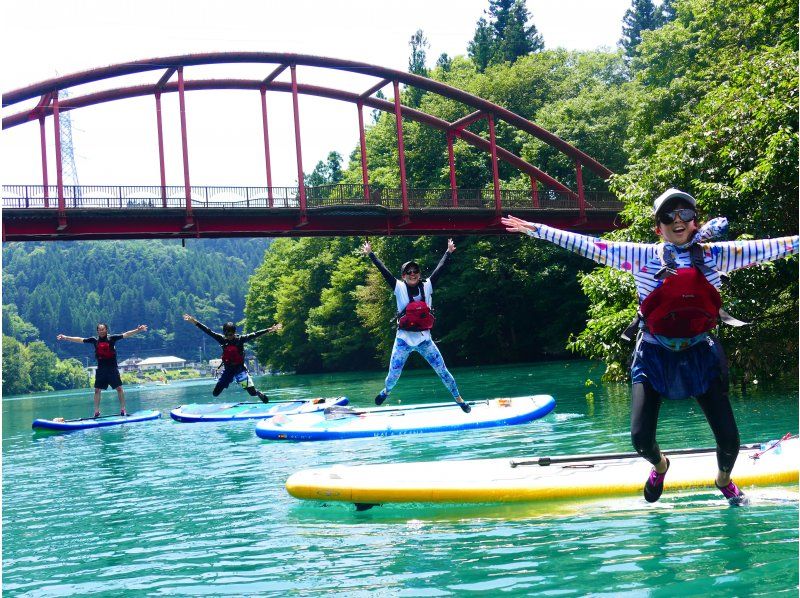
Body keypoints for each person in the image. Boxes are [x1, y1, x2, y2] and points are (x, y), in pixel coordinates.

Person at [502, 188, 798, 506]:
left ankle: (724, 480)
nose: (678, 220)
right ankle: (661, 466)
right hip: (654, 354)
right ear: (658, 227)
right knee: (641, 440)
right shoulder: (641, 257)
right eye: (668, 216)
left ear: (695, 221)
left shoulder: (717, 255)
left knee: (730, 443)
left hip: (700, 353)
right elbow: (589, 246)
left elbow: (775, 248)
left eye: (685, 213)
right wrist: (538, 230)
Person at [360, 238, 471, 413]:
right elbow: (384, 271)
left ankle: (459, 400)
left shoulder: (427, 286)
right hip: (403, 340)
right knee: (393, 377)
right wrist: (371, 254)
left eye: (416, 271)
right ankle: (386, 391)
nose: (413, 274)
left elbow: (440, 269)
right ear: (403, 276)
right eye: (409, 272)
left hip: (424, 340)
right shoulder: (398, 287)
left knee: (443, 371)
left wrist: (448, 251)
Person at [183, 314, 281, 403]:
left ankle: (259, 393)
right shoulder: (222, 339)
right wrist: (194, 321)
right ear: (224, 333)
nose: (229, 336)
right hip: (228, 371)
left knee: (252, 393)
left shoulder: (240, 339)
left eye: (231, 334)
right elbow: (208, 331)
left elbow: (254, 335)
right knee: (215, 393)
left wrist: (269, 329)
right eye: (226, 334)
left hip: (240, 370)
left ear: (234, 333)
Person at [57, 322, 148, 417]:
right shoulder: (94, 340)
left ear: (106, 330)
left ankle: (123, 409)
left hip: (112, 369)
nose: (101, 331)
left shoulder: (112, 338)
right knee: (97, 390)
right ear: (97, 331)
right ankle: (96, 411)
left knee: (119, 389)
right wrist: (66, 337)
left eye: (103, 329)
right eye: (99, 330)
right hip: (101, 369)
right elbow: (80, 339)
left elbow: (126, 334)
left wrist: (138, 330)